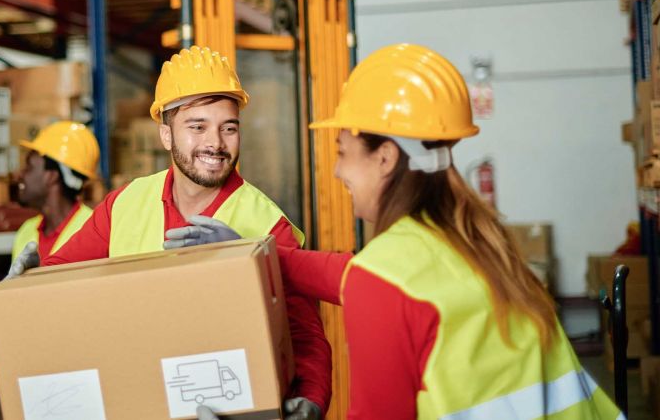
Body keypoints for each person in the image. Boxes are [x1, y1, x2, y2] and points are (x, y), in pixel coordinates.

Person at [174, 44, 624, 419]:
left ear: (385, 158)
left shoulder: (388, 279)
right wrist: (255, 252)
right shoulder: (478, 243)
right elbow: (353, 274)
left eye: (343, 152)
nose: (336, 171)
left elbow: (373, 286)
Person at [9, 46, 332, 419]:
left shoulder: (268, 224)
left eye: (229, 127)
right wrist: (31, 282)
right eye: (197, 127)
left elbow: (304, 337)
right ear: (165, 134)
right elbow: (62, 279)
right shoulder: (124, 205)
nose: (216, 143)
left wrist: (312, 398)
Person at [0, 121, 100, 420]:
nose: (20, 175)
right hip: (34, 376)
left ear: (52, 175)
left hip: (81, 379)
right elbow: (13, 311)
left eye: (30, 167)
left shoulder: (93, 230)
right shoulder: (27, 233)